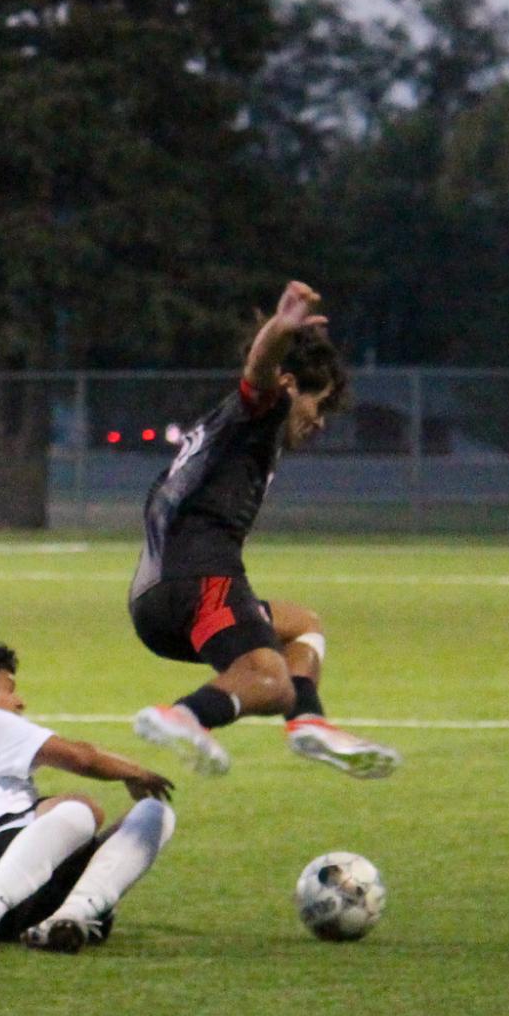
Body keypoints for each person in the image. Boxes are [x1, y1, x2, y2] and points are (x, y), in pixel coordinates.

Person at [128, 280, 400, 780]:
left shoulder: (227, 430)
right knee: (270, 682)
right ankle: (185, 716)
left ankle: (309, 722)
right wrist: (282, 327)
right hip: (199, 579)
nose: (319, 424)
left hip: (157, 598)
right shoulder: (263, 409)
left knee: (302, 624)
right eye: (317, 407)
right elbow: (258, 373)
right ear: (291, 387)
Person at [0, 637, 176, 955]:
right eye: (8, 688)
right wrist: (136, 772)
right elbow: (80, 758)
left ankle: (69, 918)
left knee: (153, 812)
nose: (19, 701)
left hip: (20, 902)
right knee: (81, 810)